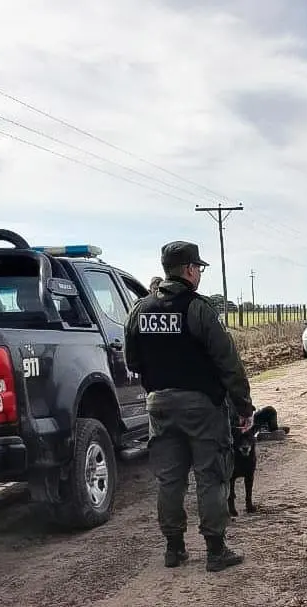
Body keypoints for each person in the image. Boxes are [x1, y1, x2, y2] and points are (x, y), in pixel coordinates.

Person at [124, 240, 255, 572]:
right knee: (210, 476)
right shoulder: (198, 309)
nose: (199, 273)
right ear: (188, 270)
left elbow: (132, 359)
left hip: (159, 405)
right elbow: (228, 363)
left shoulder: (140, 309)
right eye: (199, 267)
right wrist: (243, 406)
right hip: (201, 407)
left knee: (170, 479)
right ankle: (215, 550)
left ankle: (174, 549)